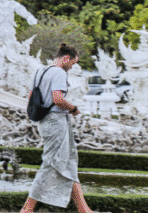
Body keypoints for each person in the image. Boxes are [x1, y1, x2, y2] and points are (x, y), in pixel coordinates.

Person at [21, 44, 95, 213]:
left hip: (45, 122)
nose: (72, 67)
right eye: (73, 63)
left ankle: (84, 210)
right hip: (56, 121)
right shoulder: (60, 73)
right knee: (50, 164)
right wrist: (74, 109)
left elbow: (32, 97)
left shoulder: (41, 71)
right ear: (66, 58)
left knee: (68, 162)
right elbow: (58, 98)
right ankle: (27, 209)